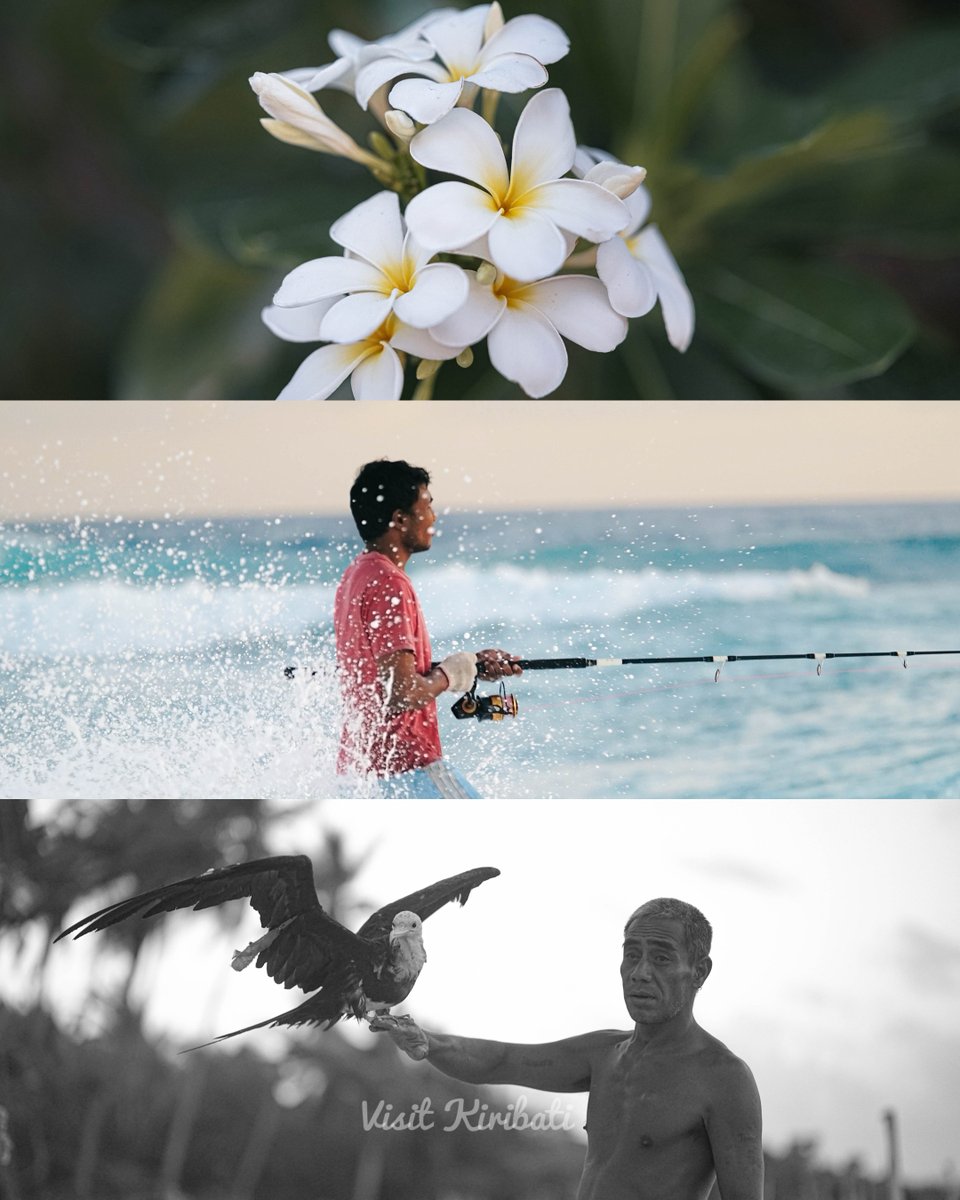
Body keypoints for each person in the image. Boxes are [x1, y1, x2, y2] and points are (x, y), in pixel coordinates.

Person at [373, 897, 763, 1200]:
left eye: (661, 958)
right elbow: (502, 1061)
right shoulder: (607, 1053)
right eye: (632, 955)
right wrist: (429, 1043)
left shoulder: (723, 1078)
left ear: (699, 971)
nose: (641, 972)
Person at [334, 458, 522, 799]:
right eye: (428, 506)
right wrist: (450, 675)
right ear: (400, 519)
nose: (433, 518)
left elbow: (386, 677)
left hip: (362, 773)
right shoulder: (390, 582)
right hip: (406, 769)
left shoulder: (356, 575)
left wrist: (471, 666)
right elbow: (401, 693)